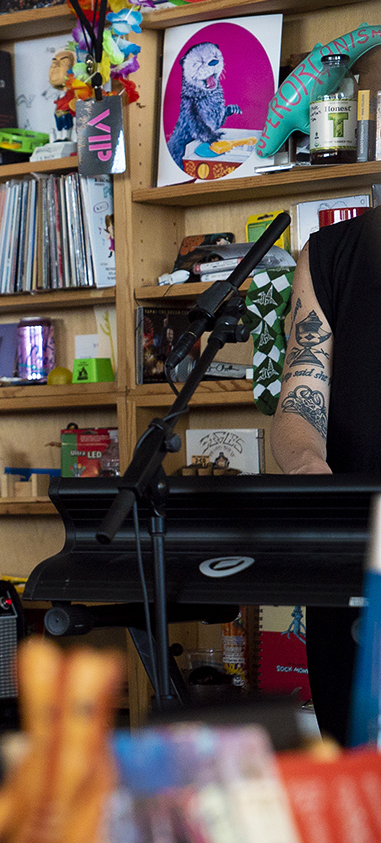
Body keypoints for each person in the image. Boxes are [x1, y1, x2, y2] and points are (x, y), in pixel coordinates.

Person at [271, 205, 381, 744]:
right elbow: (298, 401)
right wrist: (310, 468)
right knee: (355, 767)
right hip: (354, 557)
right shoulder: (332, 253)